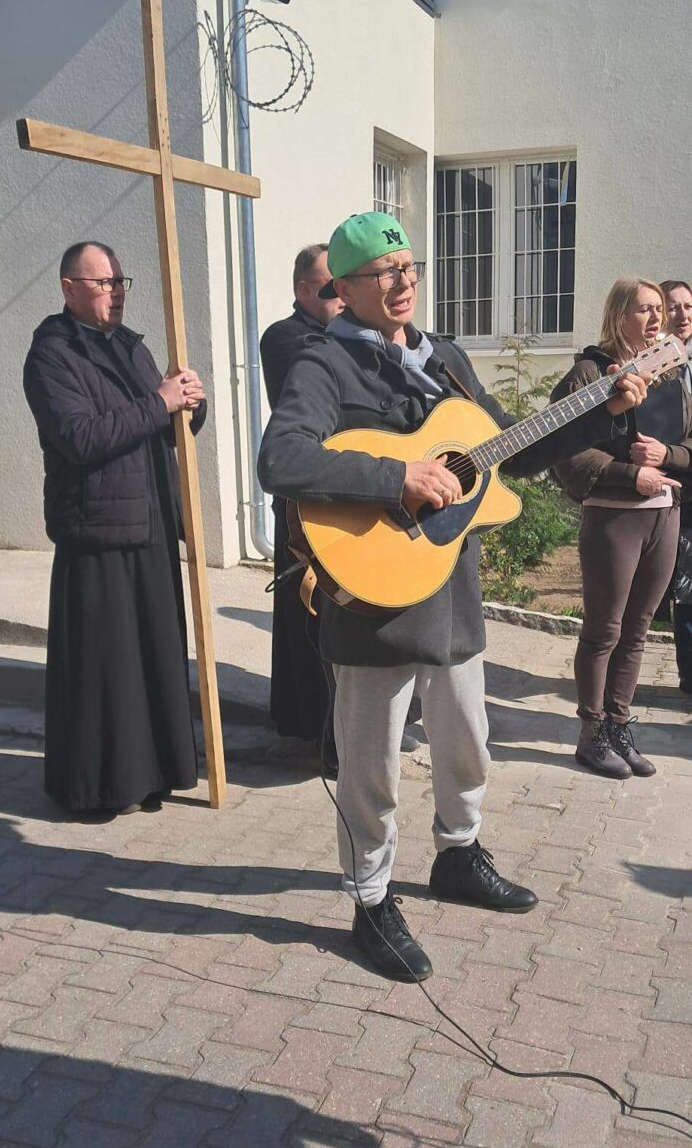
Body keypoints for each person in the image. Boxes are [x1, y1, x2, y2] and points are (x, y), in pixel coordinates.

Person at [258, 212, 649, 982]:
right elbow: (281, 459)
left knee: (467, 737)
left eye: (409, 267)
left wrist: (598, 412)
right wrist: (394, 476)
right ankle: (371, 898)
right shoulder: (322, 362)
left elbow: (513, 453)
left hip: (451, 589)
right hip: (375, 596)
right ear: (345, 287)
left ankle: (457, 854)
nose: (403, 282)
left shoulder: (446, 359)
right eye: (384, 272)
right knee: (371, 763)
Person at [23, 240, 206, 817]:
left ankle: (157, 773)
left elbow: (161, 426)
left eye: (121, 281)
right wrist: (160, 403)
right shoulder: (52, 355)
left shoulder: (130, 347)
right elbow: (80, 438)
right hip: (97, 531)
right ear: (69, 288)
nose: (117, 292)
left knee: (153, 660)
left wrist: (189, 404)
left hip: (150, 522)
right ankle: (104, 785)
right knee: (109, 672)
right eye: (104, 283)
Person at [551, 277, 691, 779]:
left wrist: (666, 456)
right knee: (604, 631)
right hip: (614, 517)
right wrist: (632, 475)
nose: (656, 318)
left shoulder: (670, 370)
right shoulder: (589, 373)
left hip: (664, 514)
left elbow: (688, 444)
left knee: (637, 631)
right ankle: (590, 734)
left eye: (659, 309)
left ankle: (618, 726)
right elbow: (564, 452)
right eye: (644, 309)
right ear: (618, 314)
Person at [259, 245, 340, 750]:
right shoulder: (284, 337)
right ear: (303, 289)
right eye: (331, 286)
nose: (341, 295)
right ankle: (315, 722)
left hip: (343, 494)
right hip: (301, 502)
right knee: (309, 614)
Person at [659, 280, 692, 692]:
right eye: (673, 306)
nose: (683, 314)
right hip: (670, 486)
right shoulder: (652, 366)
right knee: (684, 591)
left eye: (689, 306)